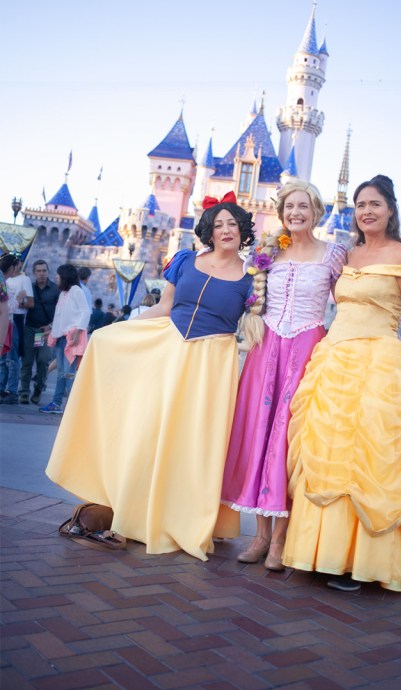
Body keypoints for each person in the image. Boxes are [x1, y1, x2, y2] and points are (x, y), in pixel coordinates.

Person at [45, 194, 255, 560]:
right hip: (168, 351)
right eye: (218, 224)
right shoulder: (186, 260)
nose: (225, 230)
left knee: (193, 443)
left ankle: (185, 517)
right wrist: (116, 330)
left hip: (212, 365)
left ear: (242, 231)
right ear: (209, 230)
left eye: (232, 224)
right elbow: (164, 307)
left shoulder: (252, 279)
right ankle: (136, 512)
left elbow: (253, 328)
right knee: (150, 433)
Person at [283, 174, 401, 592]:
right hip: (334, 360)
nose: (367, 211)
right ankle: (324, 555)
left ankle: (363, 563)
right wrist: (269, 254)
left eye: (375, 204)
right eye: (360, 205)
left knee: (370, 459)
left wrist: (396, 359)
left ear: (390, 210)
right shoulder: (346, 255)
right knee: (328, 451)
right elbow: (300, 261)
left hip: (379, 366)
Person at [220, 180, 346, 572]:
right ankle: (259, 535)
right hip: (266, 348)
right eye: (289, 206)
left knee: (290, 439)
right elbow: (248, 295)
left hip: (307, 348)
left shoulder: (334, 255)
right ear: (281, 212)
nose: (296, 213)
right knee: (259, 432)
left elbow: (349, 304)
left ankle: (280, 540)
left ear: (316, 210)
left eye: (303, 206)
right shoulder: (270, 252)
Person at [38, 265, 90, 415]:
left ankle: (73, 407)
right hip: (60, 339)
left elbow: (85, 313)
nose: (56, 277)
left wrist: (77, 332)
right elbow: (60, 316)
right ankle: (56, 403)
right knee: (61, 373)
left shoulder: (76, 291)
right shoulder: (63, 293)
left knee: (69, 373)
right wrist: (52, 329)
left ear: (65, 276)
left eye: (58, 275)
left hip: (71, 339)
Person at [19, 260, 59, 404]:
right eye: (39, 271)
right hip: (30, 328)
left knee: (43, 361)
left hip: (44, 331)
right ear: (34, 272)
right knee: (27, 361)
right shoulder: (29, 287)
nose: (42, 274)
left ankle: (38, 388)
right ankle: (23, 391)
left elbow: (60, 311)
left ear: (48, 272)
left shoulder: (55, 290)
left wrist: (51, 326)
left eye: (44, 271)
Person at [1, 255, 30, 404]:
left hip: (9, 324)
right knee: (11, 360)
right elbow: (7, 308)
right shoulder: (3, 282)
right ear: (12, 267)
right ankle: (11, 391)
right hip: (7, 324)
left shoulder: (5, 281)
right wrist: (18, 298)